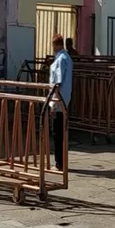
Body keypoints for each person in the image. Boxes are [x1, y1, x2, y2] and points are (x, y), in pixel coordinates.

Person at [47, 35, 73, 171]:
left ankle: (59, 162)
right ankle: (61, 161)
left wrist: (53, 103)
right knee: (61, 132)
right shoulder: (66, 58)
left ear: (56, 45)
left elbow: (57, 81)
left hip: (58, 99)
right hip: (64, 99)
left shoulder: (61, 59)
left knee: (57, 132)